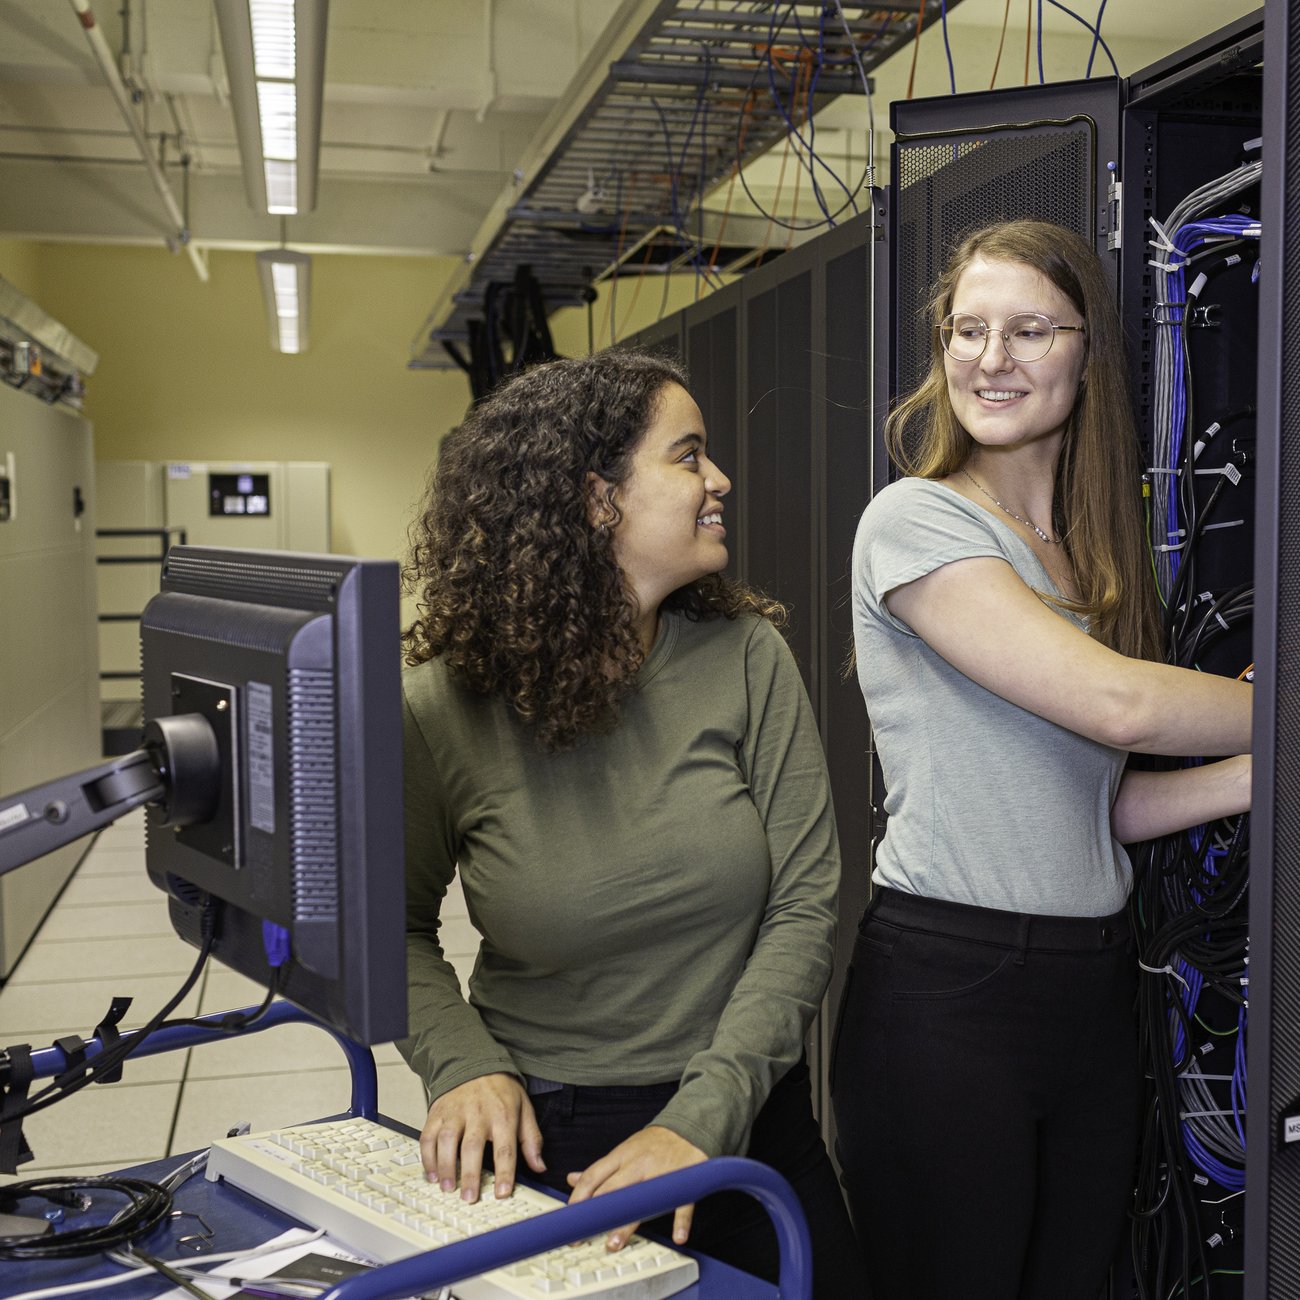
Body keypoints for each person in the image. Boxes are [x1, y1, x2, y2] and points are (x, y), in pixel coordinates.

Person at [830, 219, 1253, 1300]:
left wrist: (1262, 770)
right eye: (966, 330)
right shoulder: (913, 522)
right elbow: (1118, 706)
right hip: (948, 993)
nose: (988, 358)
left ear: (1086, 351)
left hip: (1087, 993)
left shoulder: (1092, 557)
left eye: (1027, 330)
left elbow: (1084, 809)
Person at [397, 349, 864, 1295]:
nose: (719, 479)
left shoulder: (746, 657)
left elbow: (806, 905)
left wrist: (704, 1118)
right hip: (542, 1135)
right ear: (596, 498)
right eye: (688, 457)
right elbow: (389, 927)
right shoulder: (444, 704)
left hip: (741, 1122)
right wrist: (460, 1066)